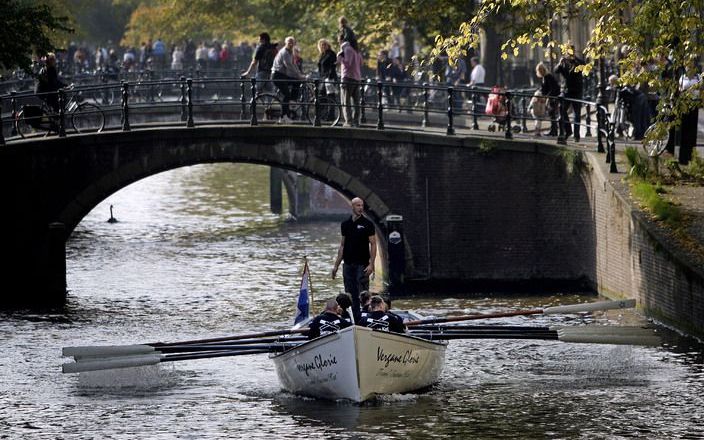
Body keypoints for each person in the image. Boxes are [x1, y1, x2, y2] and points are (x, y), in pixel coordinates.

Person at [332, 197, 376, 321]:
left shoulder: (368, 224)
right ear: (352, 206)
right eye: (358, 205)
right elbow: (342, 245)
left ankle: (364, 318)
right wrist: (336, 265)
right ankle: (352, 318)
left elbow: (373, 244)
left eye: (362, 205)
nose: (360, 208)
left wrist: (371, 264)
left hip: (362, 265)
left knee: (362, 294)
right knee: (349, 294)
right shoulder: (345, 224)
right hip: (348, 265)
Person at [271, 36, 305, 123]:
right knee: (287, 95)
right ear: (286, 43)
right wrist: (299, 75)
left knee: (296, 82)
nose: (290, 43)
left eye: (292, 42)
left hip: (282, 75)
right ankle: (283, 117)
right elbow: (288, 66)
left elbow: (294, 65)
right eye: (289, 42)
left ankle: (292, 101)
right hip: (277, 75)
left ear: (294, 44)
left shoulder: (290, 52)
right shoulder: (285, 52)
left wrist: (300, 75)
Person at [554, 47, 585, 141]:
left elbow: (584, 65)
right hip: (566, 91)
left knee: (577, 114)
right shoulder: (563, 62)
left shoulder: (578, 61)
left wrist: (575, 59)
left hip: (576, 90)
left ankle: (576, 136)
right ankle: (568, 130)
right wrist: (560, 63)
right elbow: (556, 71)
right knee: (562, 110)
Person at [337, 35, 363, 127]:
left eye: (338, 40)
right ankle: (356, 121)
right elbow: (361, 63)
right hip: (357, 78)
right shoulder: (357, 50)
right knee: (356, 102)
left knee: (345, 101)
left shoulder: (347, 49)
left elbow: (347, 63)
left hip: (347, 78)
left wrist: (340, 58)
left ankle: (349, 121)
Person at [536, 62, 560, 136]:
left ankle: (554, 131)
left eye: (540, 70)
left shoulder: (548, 77)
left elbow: (552, 88)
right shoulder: (546, 77)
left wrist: (547, 98)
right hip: (552, 97)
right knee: (551, 114)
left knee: (552, 113)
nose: (539, 72)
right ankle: (553, 130)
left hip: (553, 97)